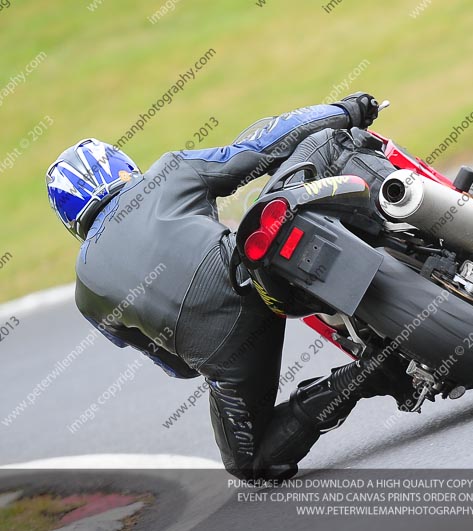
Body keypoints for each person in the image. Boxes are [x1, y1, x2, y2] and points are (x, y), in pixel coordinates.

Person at [45, 93, 414, 480]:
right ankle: (412, 212)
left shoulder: (85, 291)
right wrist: (347, 111)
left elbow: (177, 366)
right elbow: (260, 148)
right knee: (325, 142)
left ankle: (367, 374)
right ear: (123, 167)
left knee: (250, 464)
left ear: (70, 217)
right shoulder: (168, 171)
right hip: (257, 273)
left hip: (223, 351)